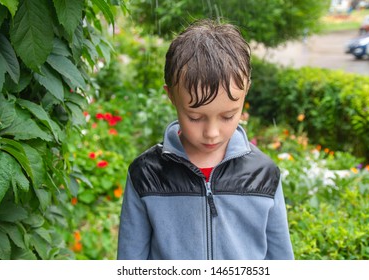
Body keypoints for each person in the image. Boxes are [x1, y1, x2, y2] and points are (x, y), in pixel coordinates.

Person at [117, 19, 294, 260]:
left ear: (246, 92)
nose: (212, 132)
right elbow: (130, 261)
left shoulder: (264, 175)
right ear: (171, 96)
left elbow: (281, 260)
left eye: (228, 116)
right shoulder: (145, 174)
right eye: (195, 117)